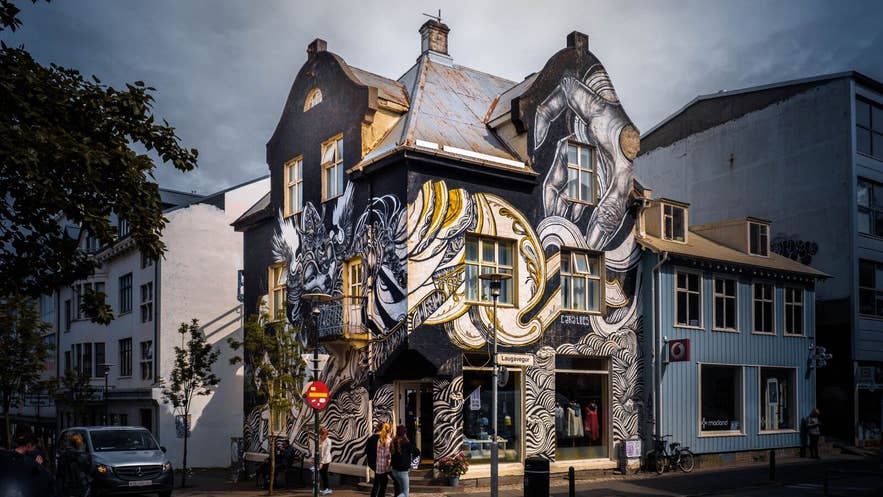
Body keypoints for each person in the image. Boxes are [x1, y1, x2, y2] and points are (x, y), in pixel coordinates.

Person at [390, 424, 420, 497]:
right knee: (405, 493)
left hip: (394, 471)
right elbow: (417, 451)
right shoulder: (407, 444)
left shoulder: (392, 443)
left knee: (399, 490)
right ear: (404, 433)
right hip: (403, 472)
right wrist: (411, 459)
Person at [366, 421, 391, 497]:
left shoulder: (371, 438)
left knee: (377, 483)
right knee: (381, 483)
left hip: (373, 463)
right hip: (381, 463)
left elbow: (366, 451)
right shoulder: (382, 439)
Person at [318, 427, 333, 495]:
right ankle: (325, 488)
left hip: (326, 460)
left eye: (326, 435)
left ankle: (327, 489)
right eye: (323, 435)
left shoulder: (328, 441)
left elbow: (326, 452)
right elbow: (314, 448)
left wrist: (322, 462)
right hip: (320, 459)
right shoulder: (318, 439)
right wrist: (312, 457)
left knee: (324, 474)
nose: (325, 436)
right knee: (321, 474)